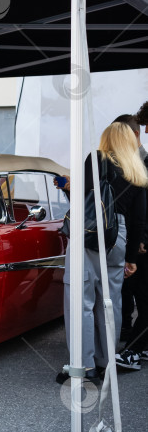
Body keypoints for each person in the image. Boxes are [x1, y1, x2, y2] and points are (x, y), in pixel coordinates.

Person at [56, 121, 148, 384]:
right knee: (111, 301)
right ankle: (106, 363)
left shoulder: (97, 159)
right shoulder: (137, 170)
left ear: (107, 139)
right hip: (118, 237)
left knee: (81, 298)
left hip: (91, 231)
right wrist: (131, 258)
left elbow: (82, 200)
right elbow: (139, 220)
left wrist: (66, 187)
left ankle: (84, 367)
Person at [117, 108, 148, 369]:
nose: (146, 132)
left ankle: (134, 350)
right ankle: (138, 346)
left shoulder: (143, 161)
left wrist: (142, 239)